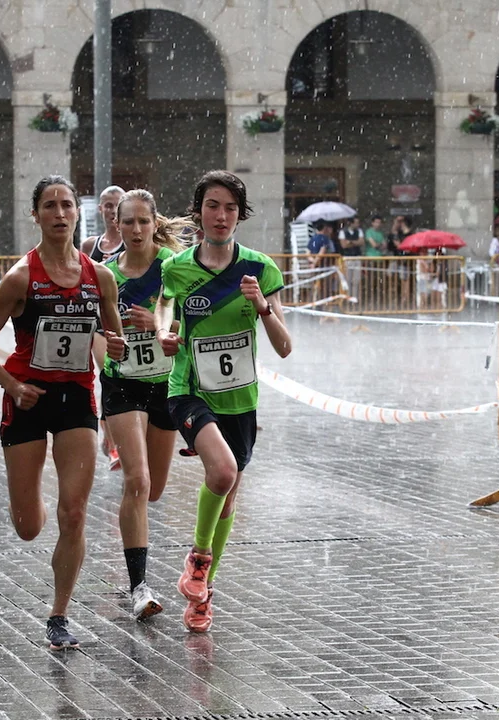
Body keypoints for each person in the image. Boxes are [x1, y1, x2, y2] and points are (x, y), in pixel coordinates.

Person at [0, 175, 124, 651]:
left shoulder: (100, 277)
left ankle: (59, 615)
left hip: (76, 398)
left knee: (73, 513)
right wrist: (13, 386)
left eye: (67, 205)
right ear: (35, 215)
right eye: (50, 206)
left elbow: (112, 343)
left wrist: (118, 345)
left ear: (78, 213)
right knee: (29, 527)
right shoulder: (21, 278)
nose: (59, 213)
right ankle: (27, 500)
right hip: (28, 400)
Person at [154, 170, 293, 633]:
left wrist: (263, 307)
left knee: (228, 495)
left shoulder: (260, 269)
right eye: (212, 206)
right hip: (189, 390)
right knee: (223, 472)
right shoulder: (176, 268)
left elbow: (284, 346)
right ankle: (198, 561)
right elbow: (164, 313)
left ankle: (203, 594)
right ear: (198, 212)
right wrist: (164, 334)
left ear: (240, 214)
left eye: (230, 208)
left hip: (240, 399)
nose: (221, 215)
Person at [102, 189, 186, 620]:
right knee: (136, 480)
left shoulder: (174, 267)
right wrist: (108, 349)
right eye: (128, 222)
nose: (136, 230)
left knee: (154, 490)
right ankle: (139, 586)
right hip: (122, 385)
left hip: (165, 385)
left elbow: (187, 323)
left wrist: (156, 324)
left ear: (155, 223)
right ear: (116, 225)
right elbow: (96, 334)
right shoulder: (104, 276)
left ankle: (138, 578)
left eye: (143, 221)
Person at [81, 185, 127, 470]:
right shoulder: (90, 246)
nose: (112, 210)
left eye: (117, 205)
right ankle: (112, 442)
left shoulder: (133, 241)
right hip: (98, 324)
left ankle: (124, 431)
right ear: (100, 209)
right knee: (110, 373)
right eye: (107, 205)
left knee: (125, 377)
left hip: (127, 321)